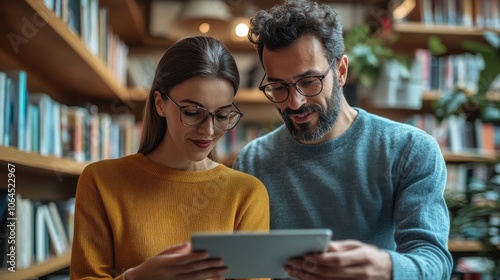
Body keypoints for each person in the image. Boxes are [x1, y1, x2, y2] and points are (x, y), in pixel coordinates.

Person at [233, 0, 453, 279]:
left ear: (341, 71)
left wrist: (385, 266)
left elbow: (435, 262)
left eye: (309, 81)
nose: (295, 102)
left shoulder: (409, 149)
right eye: (278, 87)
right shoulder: (253, 160)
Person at [70, 36, 270, 280]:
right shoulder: (101, 181)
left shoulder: (247, 193)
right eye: (192, 112)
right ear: (160, 104)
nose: (208, 130)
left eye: (222, 115)